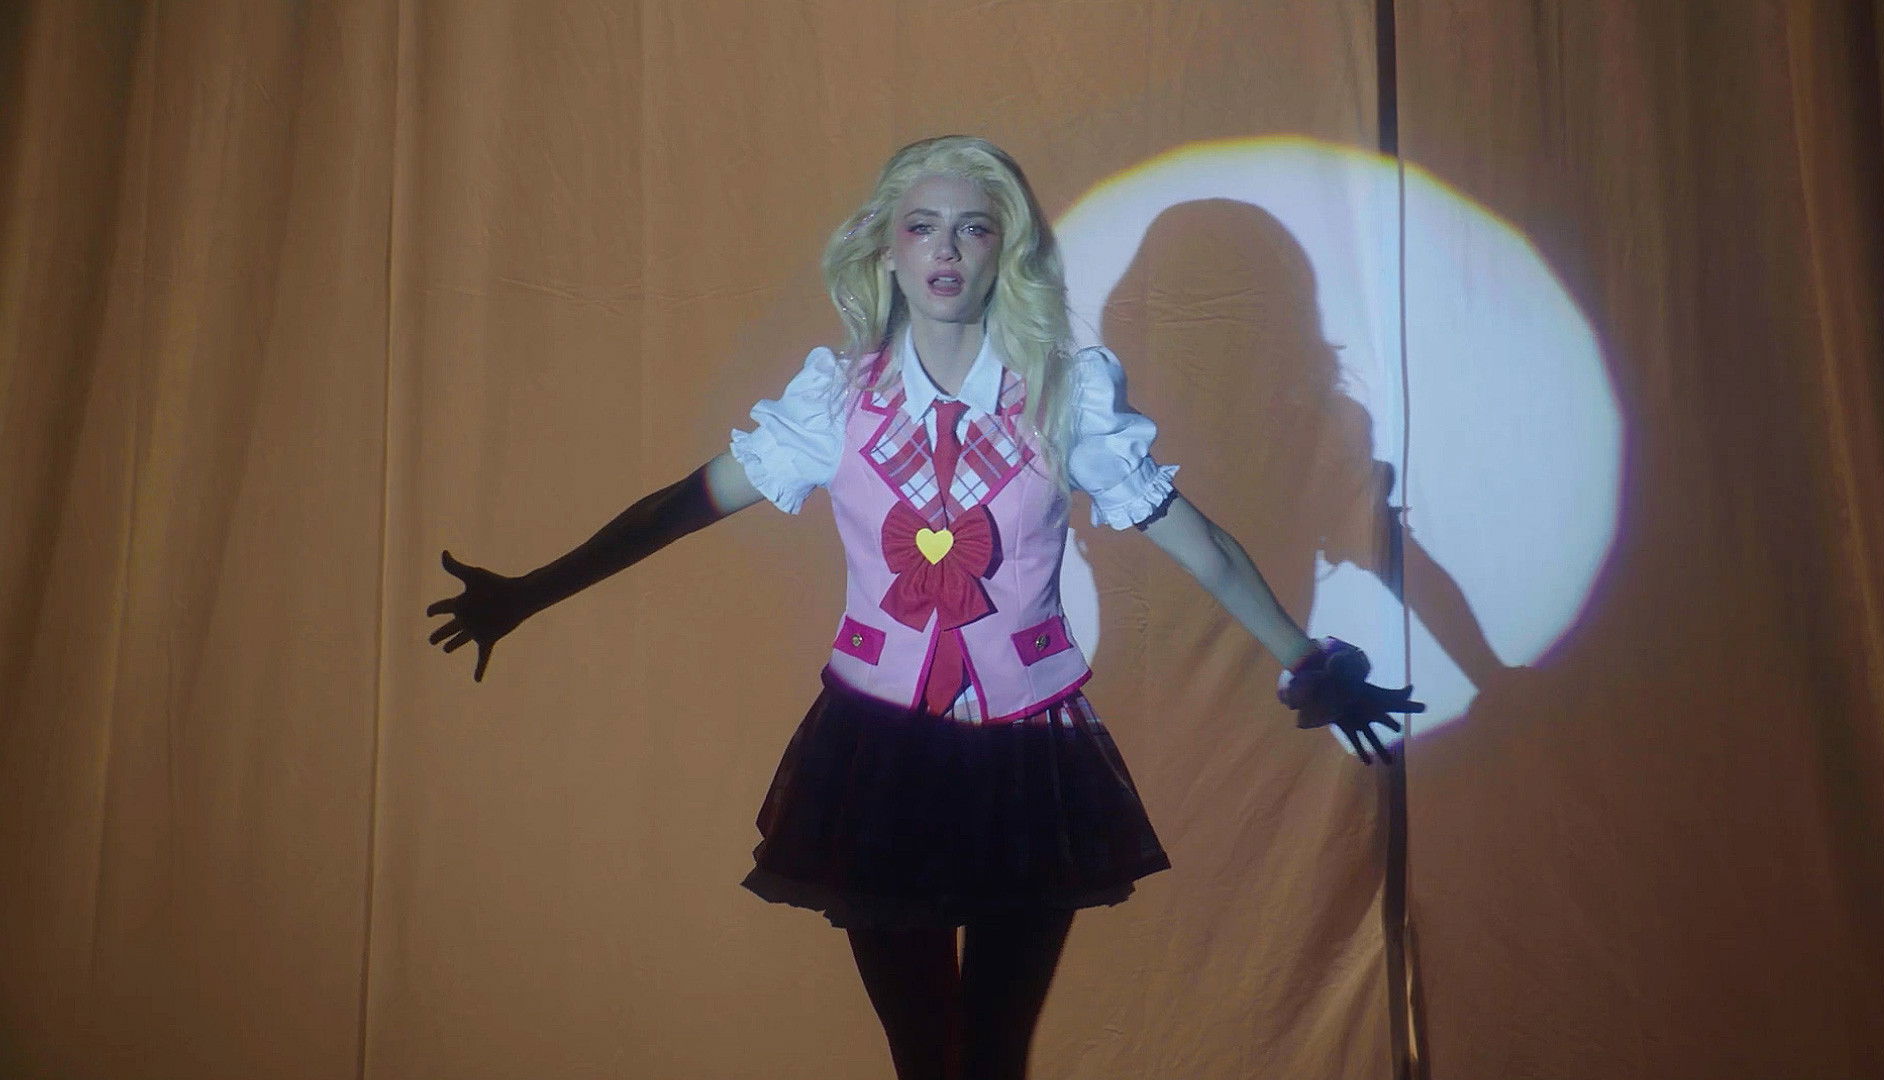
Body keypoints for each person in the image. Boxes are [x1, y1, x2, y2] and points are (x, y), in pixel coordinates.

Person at [427, 135, 1421, 1080]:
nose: (947, 250)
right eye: (923, 227)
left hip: (1029, 753)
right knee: (924, 1061)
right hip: (877, 752)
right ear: (887, 250)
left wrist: (1310, 661)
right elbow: (676, 510)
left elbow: (1202, 546)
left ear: (1005, 252)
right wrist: (529, 591)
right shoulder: (834, 402)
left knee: (991, 1059)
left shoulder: (1063, 395)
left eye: (973, 228)